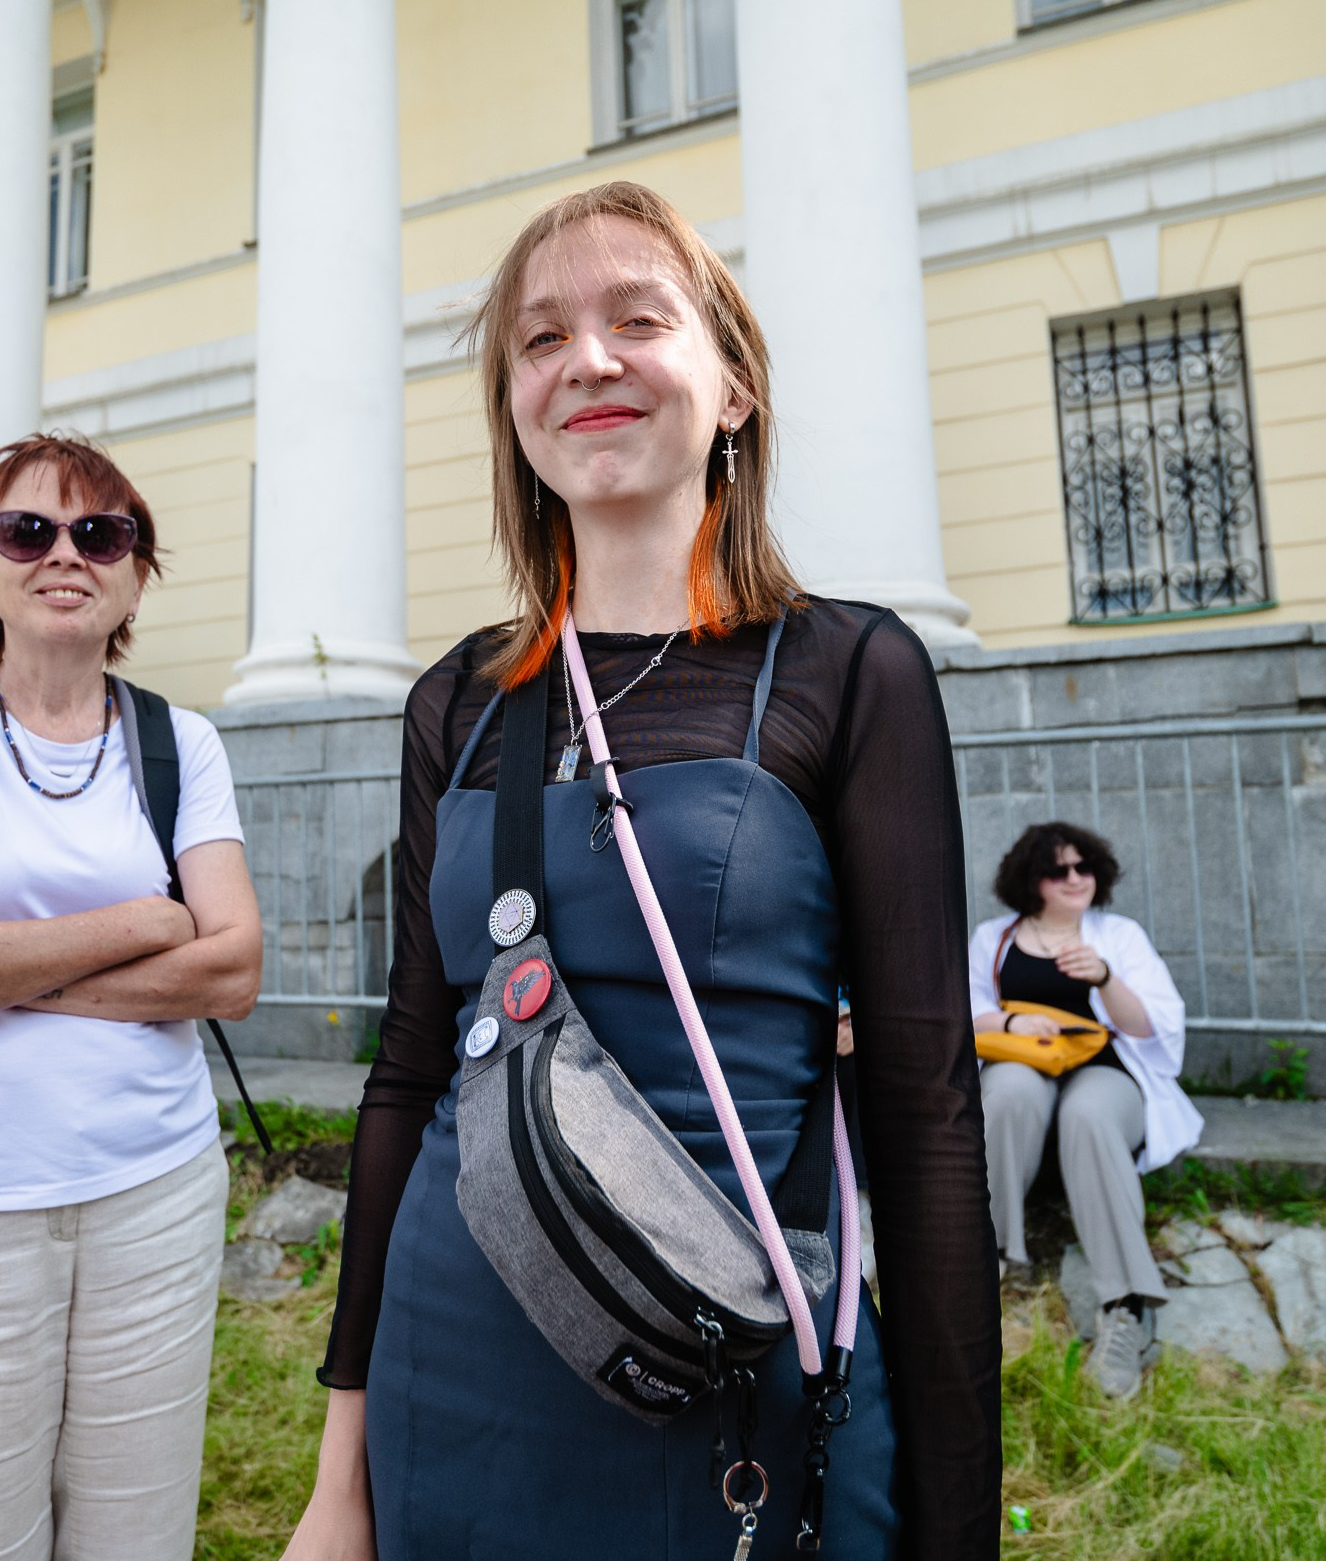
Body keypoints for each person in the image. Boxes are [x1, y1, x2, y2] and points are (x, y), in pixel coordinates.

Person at [283, 182, 1003, 1561]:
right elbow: (409, 1073)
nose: (588, 360)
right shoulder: (457, 700)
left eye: (638, 317)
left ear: (732, 386)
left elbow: (928, 1114)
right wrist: (340, 1472)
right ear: (512, 407)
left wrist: (955, 1529)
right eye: (541, 338)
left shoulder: (851, 672)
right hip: (453, 1371)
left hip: (730, 1366)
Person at [0, 431, 261, 1560]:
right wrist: (144, 922)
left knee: (136, 1533)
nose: (63, 552)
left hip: (154, 1192)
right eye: (27, 529)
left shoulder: (181, 742)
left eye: (100, 532)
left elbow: (233, 968)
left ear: (132, 573)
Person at [970, 821, 1202, 1400]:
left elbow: (1151, 1025)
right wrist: (1014, 1021)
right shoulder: (993, 938)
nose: (1075, 879)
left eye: (1083, 867)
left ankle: (1125, 1305)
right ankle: (986, 1259)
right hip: (1024, 1059)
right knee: (1007, 1096)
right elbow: (964, 1009)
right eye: (1058, 870)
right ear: (1031, 881)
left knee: (1090, 1118)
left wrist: (1104, 976)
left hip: (1105, 1065)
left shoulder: (1116, 935)